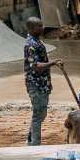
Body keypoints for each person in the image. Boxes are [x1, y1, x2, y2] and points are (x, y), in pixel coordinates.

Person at [23, 16, 56, 145]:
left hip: (42, 84)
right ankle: (35, 144)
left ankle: (30, 140)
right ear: (31, 28)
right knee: (38, 115)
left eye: (41, 25)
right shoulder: (30, 44)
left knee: (41, 114)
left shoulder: (37, 41)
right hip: (35, 84)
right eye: (39, 26)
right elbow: (35, 66)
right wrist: (52, 63)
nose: (42, 28)